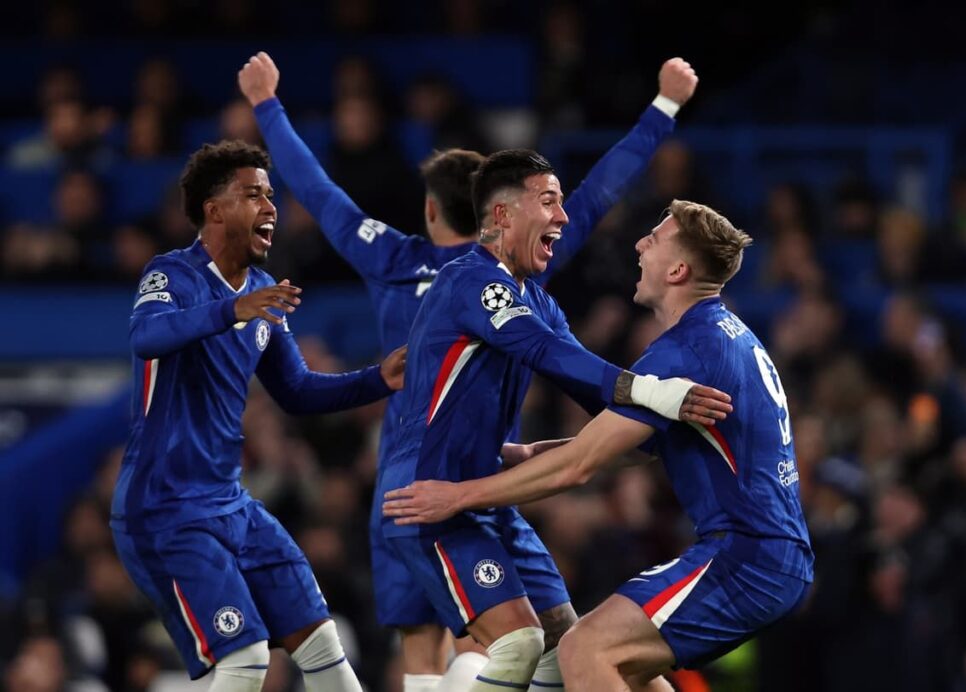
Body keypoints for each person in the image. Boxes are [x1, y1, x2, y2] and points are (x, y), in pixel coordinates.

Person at [238, 50, 702, 690]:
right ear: (500, 211)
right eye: (550, 205)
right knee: (514, 643)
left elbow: (317, 190)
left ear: (431, 211)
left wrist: (267, 104)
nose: (562, 218)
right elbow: (602, 189)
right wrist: (664, 106)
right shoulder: (480, 281)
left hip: (471, 474)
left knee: (451, 650)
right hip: (427, 483)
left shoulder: (398, 259)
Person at [384, 200, 815, 690]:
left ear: (677, 270)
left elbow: (580, 466)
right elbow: (622, 449)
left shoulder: (687, 350)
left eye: (653, 238)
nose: (638, 244)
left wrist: (459, 495)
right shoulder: (723, 336)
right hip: (766, 555)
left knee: (586, 650)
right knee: (615, 658)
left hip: (745, 558)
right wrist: (523, 454)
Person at [110, 140, 405, 692]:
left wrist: (377, 379)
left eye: (271, 195)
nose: (271, 207)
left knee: (323, 646)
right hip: (165, 508)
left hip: (231, 503)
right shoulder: (171, 276)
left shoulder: (263, 291)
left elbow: (295, 390)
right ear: (214, 209)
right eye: (254, 195)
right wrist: (230, 310)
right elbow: (146, 337)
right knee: (246, 659)